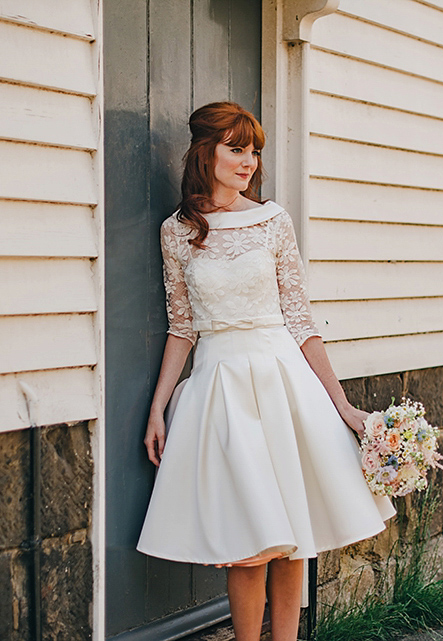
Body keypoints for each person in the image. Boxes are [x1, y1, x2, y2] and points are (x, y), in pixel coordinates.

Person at [137, 102, 395, 641]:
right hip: (220, 387)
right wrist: (158, 408)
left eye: (254, 150)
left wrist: (342, 405)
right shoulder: (177, 232)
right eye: (236, 148)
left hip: (283, 381)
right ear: (205, 152)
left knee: (294, 536)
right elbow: (182, 327)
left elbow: (300, 319)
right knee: (247, 545)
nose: (249, 160)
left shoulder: (273, 220)